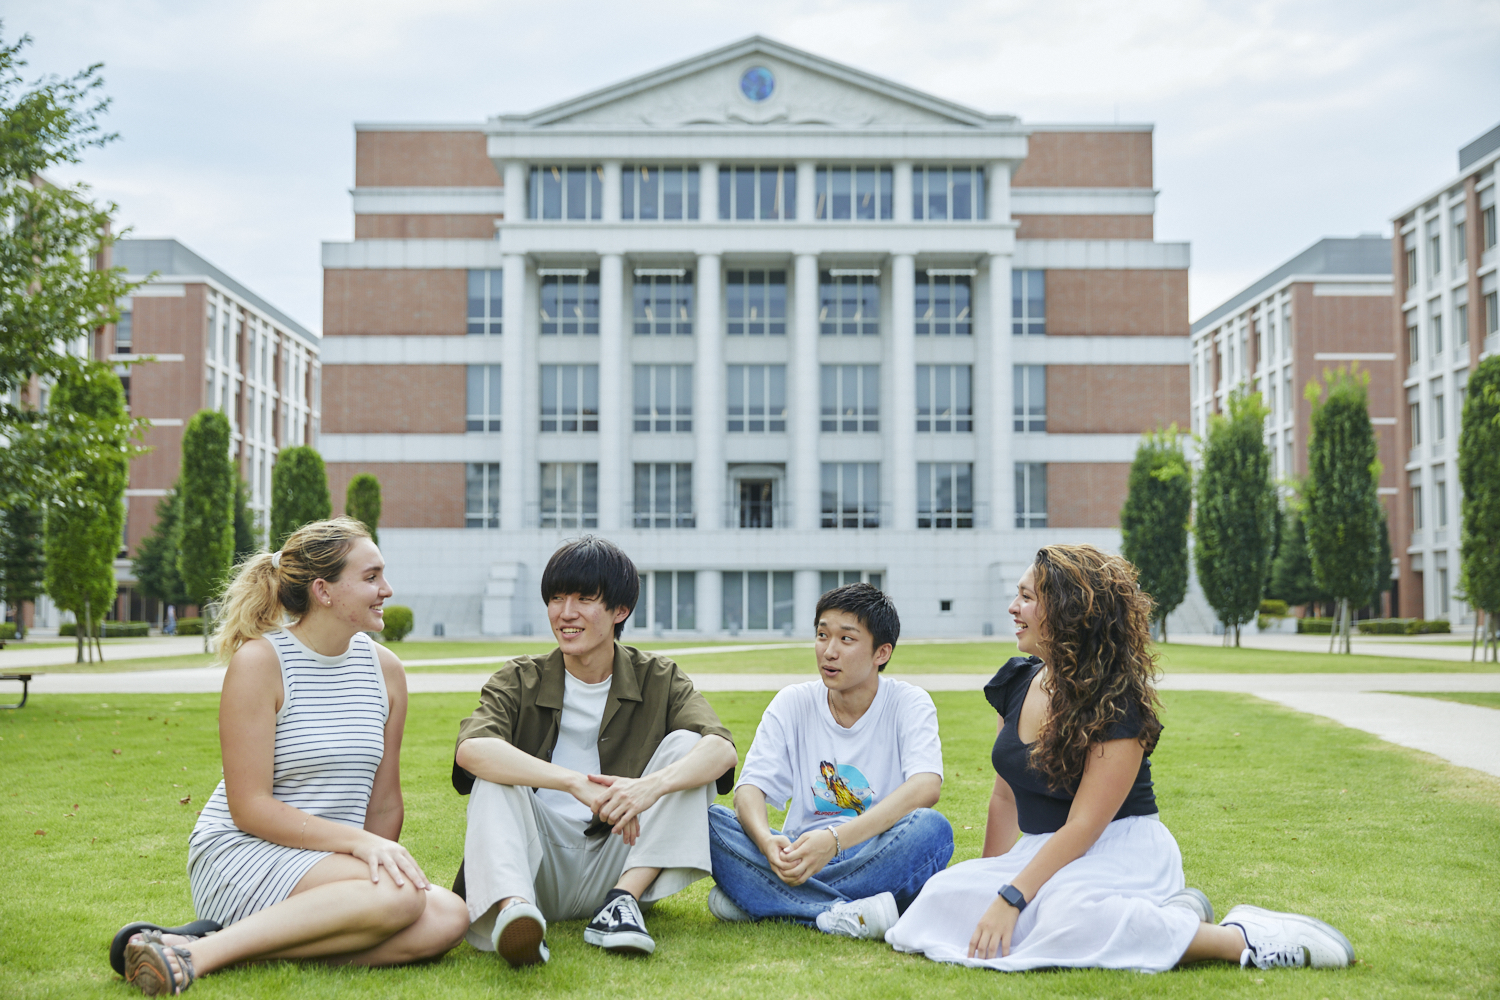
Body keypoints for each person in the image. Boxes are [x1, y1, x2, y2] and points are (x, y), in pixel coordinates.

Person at [886, 544, 1355, 973]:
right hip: (1045, 849)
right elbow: (1005, 799)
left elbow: (1084, 827)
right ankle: (1170, 919)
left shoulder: (1116, 701)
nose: (1013, 608)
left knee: (1066, 916)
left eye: (1027, 598)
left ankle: (1242, 938)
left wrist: (1010, 896)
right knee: (942, 898)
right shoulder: (1015, 682)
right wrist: (987, 883)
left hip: (1120, 848)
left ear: (1067, 610)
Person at [111, 517, 469, 996]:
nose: (387, 589)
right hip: (243, 852)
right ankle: (196, 955)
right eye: (370, 577)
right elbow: (249, 807)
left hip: (330, 862)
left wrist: (373, 868)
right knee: (404, 898)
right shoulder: (261, 662)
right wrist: (363, 853)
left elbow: (384, 803)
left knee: (449, 917)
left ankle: (219, 941)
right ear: (323, 591)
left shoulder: (387, 670)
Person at [452, 535, 739, 966]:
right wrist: (572, 782)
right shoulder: (519, 678)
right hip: (537, 863)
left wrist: (647, 789)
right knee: (496, 774)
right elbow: (471, 750)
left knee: (689, 746)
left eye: (585, 599)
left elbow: (722, 751)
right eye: (556, 598)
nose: (566, 613)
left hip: (620, 855)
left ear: (620, 610)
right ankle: (514, 911)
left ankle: (620, 904)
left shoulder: (657, 677)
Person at [707, 583, 953, 941]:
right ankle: (842, 913)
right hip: (798, 855)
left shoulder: (908, 702)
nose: (829, 651)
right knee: (707, 819)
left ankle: (762, 899)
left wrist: (834, 841)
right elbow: (750, 788)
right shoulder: (793, 702)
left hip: (873, 850)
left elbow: (926, 786)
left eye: (846, 639)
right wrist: (764, 842)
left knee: (933, 831)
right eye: (822, 635)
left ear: (881, 653)